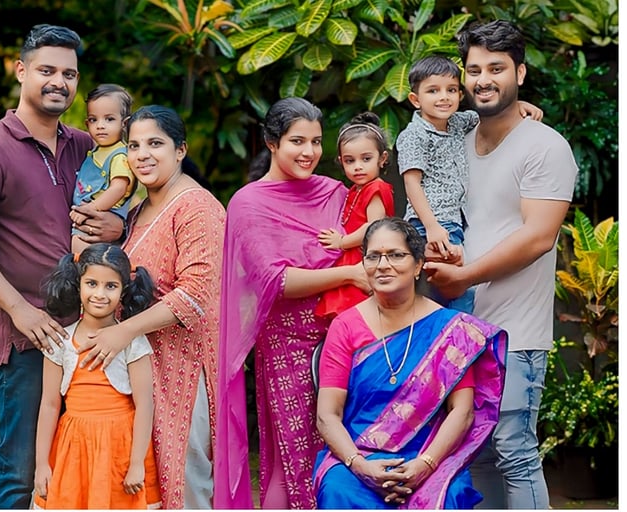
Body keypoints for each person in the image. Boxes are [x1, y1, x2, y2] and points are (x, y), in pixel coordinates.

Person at [0, 24, 123, 509]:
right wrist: (18, 309)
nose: (59, 82)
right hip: (29, 337)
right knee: (21, 471)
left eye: (69, 74)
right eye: (47, 70)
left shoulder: (88, 146)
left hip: (91, 333)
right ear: (21, 71)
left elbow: (121, 212)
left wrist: (116, 225)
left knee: (82, 466)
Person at [423, 20, 578, 509]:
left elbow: (538, 237)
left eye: (497, 68)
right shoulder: (454, 142)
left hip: (515, 334)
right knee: (477, 456)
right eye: (474, 70)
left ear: (520, 73)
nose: (483, 79)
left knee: (514, 452)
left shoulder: (544, 146)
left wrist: (465, 276)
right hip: (459, 329)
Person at [215, 97, 371, 510]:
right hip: (288, 345)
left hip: (350, 339)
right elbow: (277, 281)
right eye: (297, 141)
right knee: (294, 456)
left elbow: (370, 243)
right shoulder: (248, 202)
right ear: (272, 142)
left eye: (316, 142)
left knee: (348, 452)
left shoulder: (336, 192)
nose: (309, 152)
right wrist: (348, 276)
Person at [71, 105, 226, 509]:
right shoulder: (139, 210)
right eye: (135, 145)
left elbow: (196, 294)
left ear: (180, 150)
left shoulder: (198, 206)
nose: (142, 155)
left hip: (185, 366)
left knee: (186, 479)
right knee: (144, 482)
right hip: (143, 364)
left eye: (155, 143)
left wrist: (122, 331)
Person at [312, 217, 508, 509]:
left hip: (428, 453)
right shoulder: (345, 326)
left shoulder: (450, 330)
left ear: (418, 266)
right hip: (358, 453)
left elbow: (463, 412)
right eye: (373, 256)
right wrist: (360, 465)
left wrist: (425, 464)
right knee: (337, 490)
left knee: (449, 494)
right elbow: (328, 415)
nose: (383, 265)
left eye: (395, 255)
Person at [397, 55, 543, 314]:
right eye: (433, 91)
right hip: (432, 225)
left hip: (454, 223)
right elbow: (412, 184)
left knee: (446, 293)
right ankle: (460, 336)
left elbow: (486, 116)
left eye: (451, 90)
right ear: (415, 100)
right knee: (459, 293)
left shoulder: (456, 123)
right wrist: (432, 227)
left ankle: (448, 335)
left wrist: (517, 105)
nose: (444, 97)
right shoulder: (413, 136)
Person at [33, 243, 161, 509]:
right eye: (91, 283)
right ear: (78, 284)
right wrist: (41, 463)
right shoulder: (61, 341)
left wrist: (137, 463)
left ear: (123, 290)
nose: (100, 294)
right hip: (73, 448)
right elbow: (50, 404)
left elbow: (145, 405)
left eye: (110, 286)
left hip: (120, 449)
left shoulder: (132, 342)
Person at [315, 111, 395, 319]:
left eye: (366, 159)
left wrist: (342, 242)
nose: (358, 166)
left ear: (382, 158)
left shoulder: (376, 187)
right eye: (350, 161)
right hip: (351, 257)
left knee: (359, 314)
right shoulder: (355, 189)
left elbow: (373, 227)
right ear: (341, 162)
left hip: (363, 256)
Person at [69, 84, 138, 253]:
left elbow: (118, 188)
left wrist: (90, 208)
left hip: (101, 220)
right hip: (87, 216)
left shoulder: (119, 156)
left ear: (124, 124)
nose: (100, 125)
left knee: (86, 255)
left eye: (109, 119)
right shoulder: (97, 151)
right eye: (94, 119)